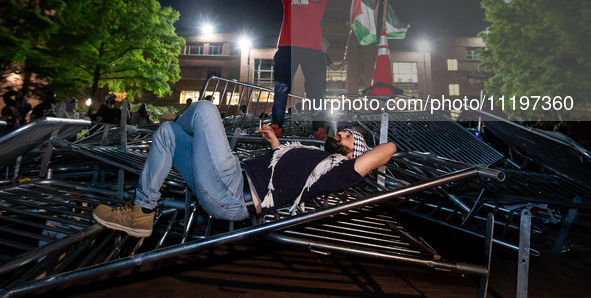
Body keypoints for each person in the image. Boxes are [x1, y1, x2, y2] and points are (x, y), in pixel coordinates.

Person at [92, 100, 396, 237]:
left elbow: (389, 149)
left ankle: (177, 119)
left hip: (233, 189)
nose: (340, 133)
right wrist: (275, 141)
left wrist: (361, 152)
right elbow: (283, 175)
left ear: (351, 153)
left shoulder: (339, 172)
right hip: (227, 181)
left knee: (204, 110)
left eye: (346, 137)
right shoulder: (317, 161)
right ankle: (141, 213)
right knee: (168, 135)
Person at [267, 0, 328, 137]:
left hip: (313, 49)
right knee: (281, 88)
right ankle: (277, 125)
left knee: (315, 91)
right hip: (287, 46)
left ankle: (318, 128)